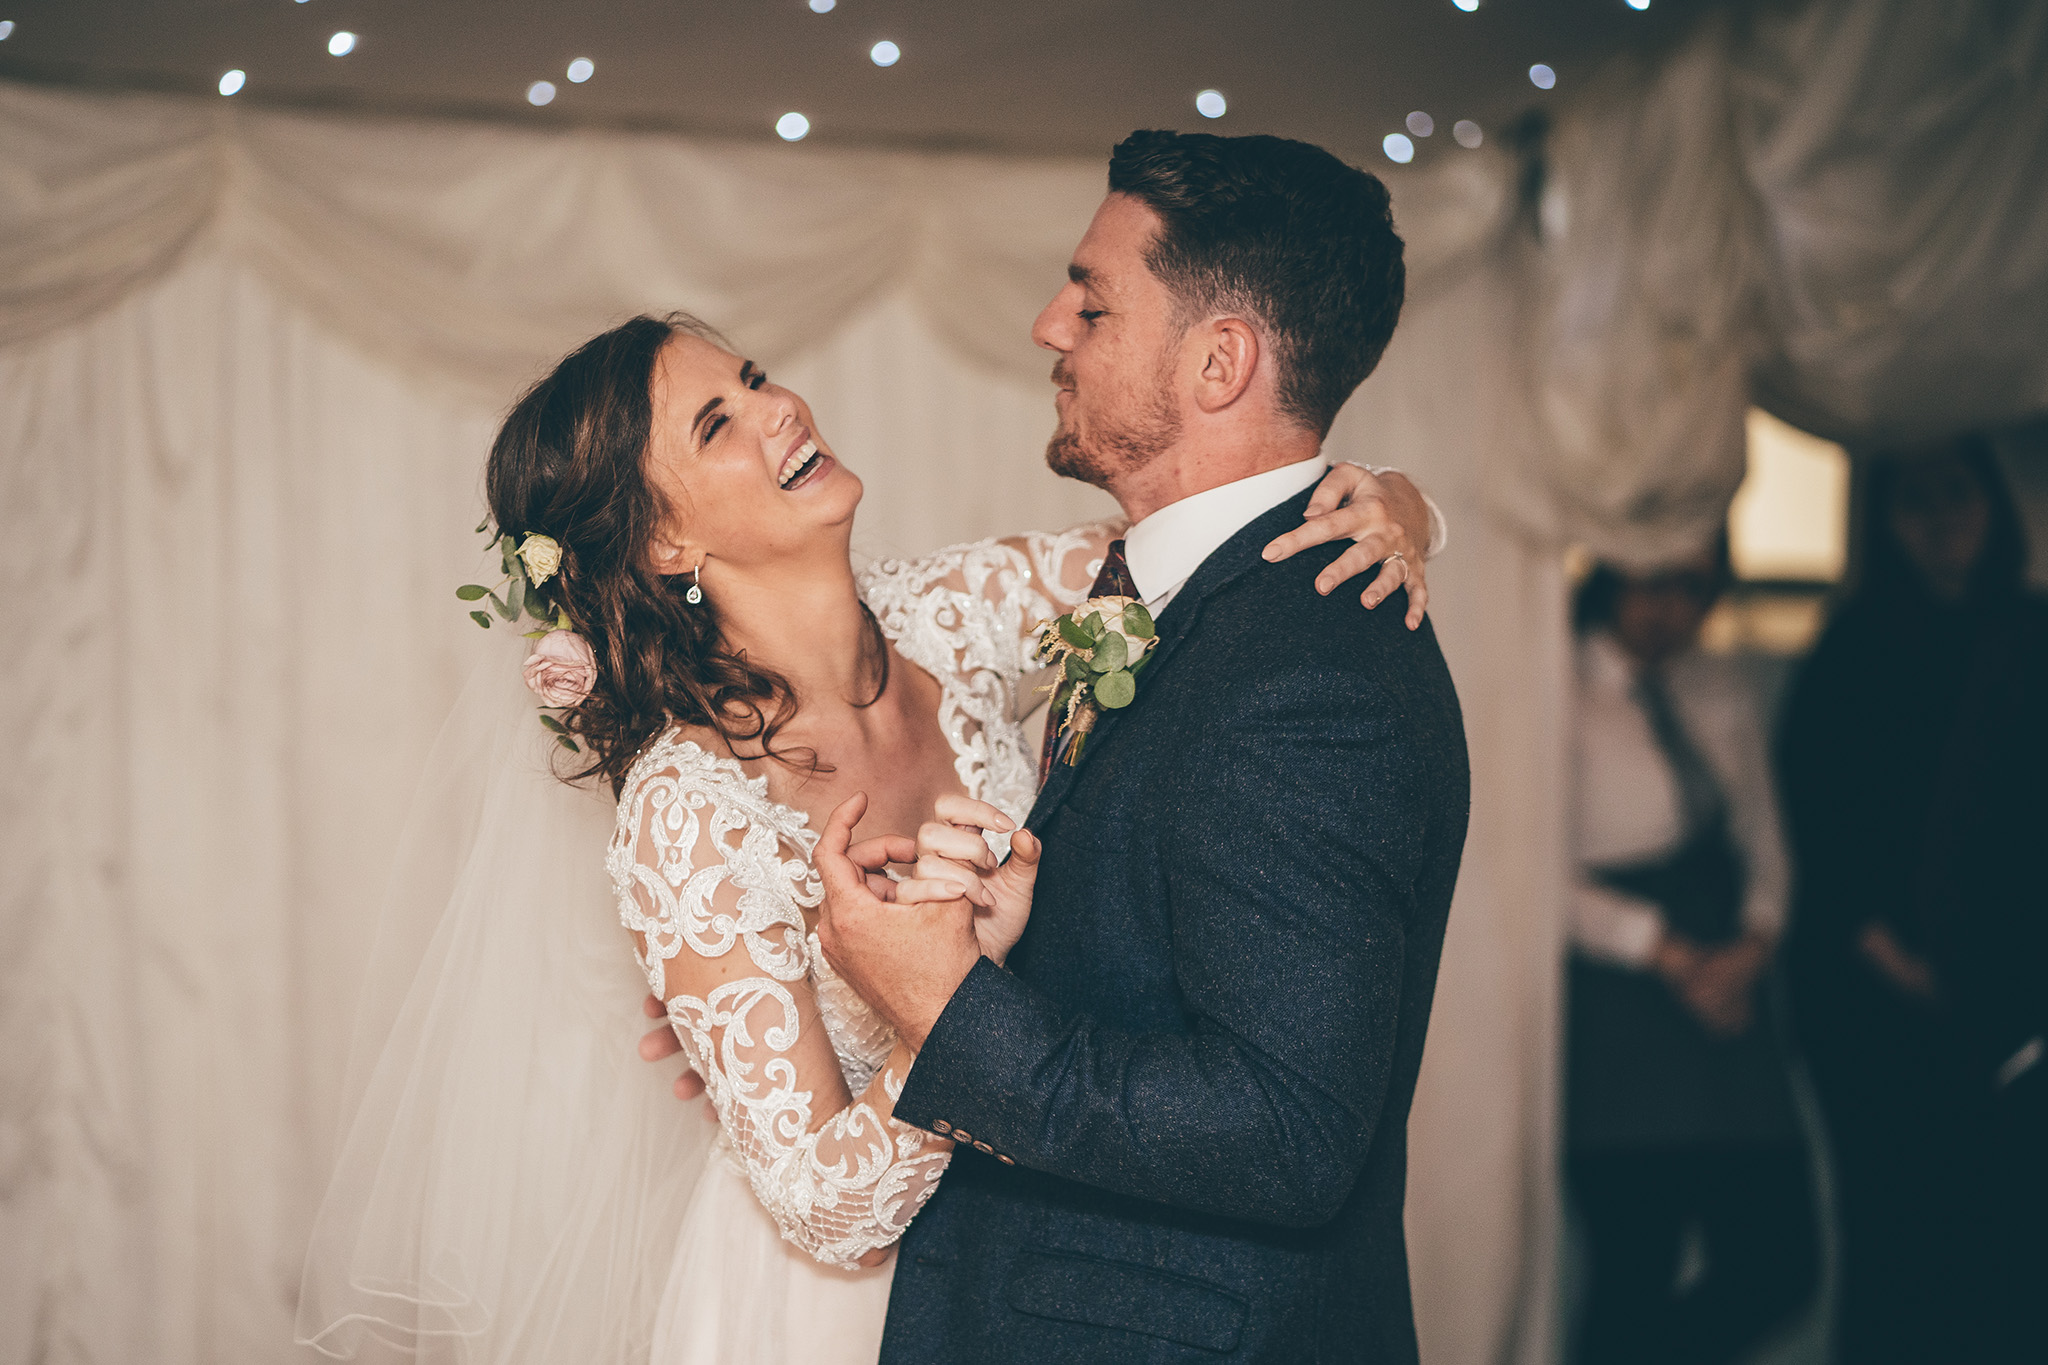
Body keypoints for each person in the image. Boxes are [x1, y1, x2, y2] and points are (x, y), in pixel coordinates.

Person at [297, 141, 1453, 1364]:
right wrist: (929, 1018)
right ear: (664, 545)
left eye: (752, 378)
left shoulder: (960, 611)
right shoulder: (687, 806)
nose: (778, 407)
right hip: (834, 1305)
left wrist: (1397, 499)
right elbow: (816, 1201)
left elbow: (1206, 563)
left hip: (1055, 1248)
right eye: (717, 422)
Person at [810, 131, 1469, 1364]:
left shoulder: (1306, 677)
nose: (1046, 326)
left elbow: (1283, 1133)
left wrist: (941, 1010)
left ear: (1219, 362)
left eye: (1092, 300)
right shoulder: (1181, 599)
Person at [1778, 436, 2048, 1365]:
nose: (1940, 521)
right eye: (1914, 500)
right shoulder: (1852, 651)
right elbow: (1823, 826)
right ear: (1884, 521)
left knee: (2010, 1243)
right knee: (1898, 1239)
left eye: (1957, 493)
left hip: (2015, 1007)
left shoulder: (2031, 634)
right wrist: (1909, 969)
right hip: (1874, 1004)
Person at [1562, 542, 1818, 1365]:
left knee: (1782, 1259)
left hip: (1729, 984)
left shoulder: (1715, 683)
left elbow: (1766, 836)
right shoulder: (1553, 684)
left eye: (1694, 589)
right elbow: (1527, 874)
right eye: (1654, 579)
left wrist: (1753, 942)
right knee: (1634, 1263)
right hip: (1622, 993)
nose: (1669, 607)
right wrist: (1664, 952)